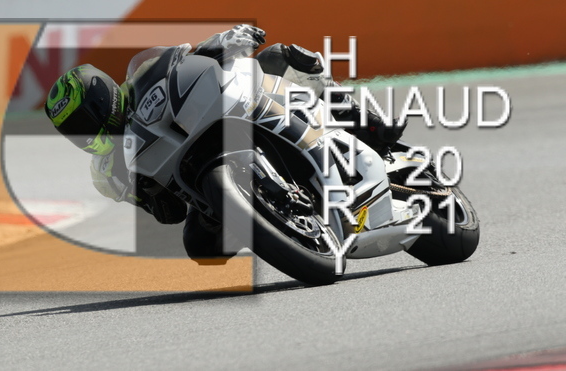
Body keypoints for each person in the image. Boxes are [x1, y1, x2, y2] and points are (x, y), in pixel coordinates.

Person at [44, 25, 405, 263]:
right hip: (204, 190)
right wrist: (149, 193)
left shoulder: (142, 78)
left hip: (224, 116)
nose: (86, 136)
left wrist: (221, 42)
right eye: (75, 133)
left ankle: (368, 122)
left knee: (279, 56)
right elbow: (170, 214)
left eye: (85, 123)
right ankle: (278, 222)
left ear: (103, 101)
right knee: (200, 249)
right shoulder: (108, 173)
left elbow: (185, 61)